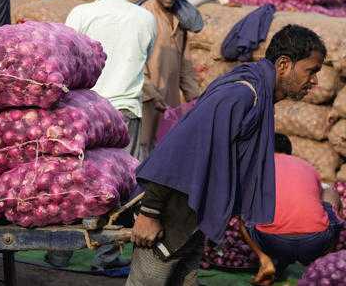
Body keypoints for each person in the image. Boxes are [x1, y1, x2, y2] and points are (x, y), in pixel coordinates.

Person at [127, 24, 327, 286]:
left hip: (192, 221)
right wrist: (149, 214)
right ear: (284, 64)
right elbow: (178, 150)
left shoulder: (259, 97)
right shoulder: (241, 95)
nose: (314, 81)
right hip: (169, 219)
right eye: (310, 71)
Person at [61, 0, 156, 270]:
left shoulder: (82, 13)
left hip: (85, 112)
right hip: (125, 109)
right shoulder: (146, 18)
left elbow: (67, 59)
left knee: (71, 178)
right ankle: (109, 257)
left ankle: (58, 252)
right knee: (121, 185)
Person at [239, 133, 343, 285]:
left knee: (243, 215)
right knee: (329, 192)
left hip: (271, 240)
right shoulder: (307, 166)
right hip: (317, 240)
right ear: (289, 152)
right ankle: (324, 266)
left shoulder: (258, 166)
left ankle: (265, 260)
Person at [139, 0, 201, 159]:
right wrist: (150, 91)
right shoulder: (143, 15)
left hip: (169, 101)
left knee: (164, 151)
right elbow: (135, 61)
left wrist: (195, 99)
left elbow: (185, 64)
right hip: (146, 98)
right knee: (141, 150)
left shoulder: (180, 17)